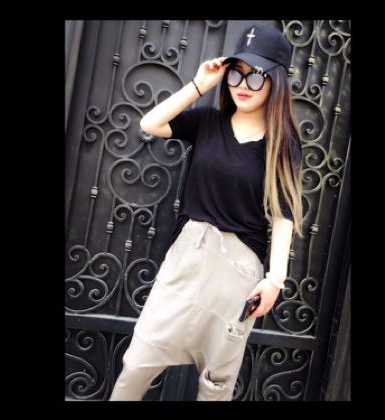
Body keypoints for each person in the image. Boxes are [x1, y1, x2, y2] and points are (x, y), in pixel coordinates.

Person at [110, 23, 303, 401]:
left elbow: (283, 215)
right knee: (138, 362)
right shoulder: (207, 122)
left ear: (276, 82)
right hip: (187, 259)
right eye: (236, 72)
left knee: (217, 382)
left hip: (239, 273)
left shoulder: (283, 143)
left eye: (256, 75)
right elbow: (150, 123)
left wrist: (275, 281)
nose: (243, 84)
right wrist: (199, 85)